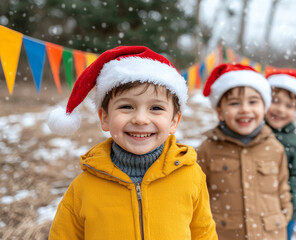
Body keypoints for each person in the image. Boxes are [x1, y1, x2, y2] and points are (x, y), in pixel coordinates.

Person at [47, 46, 218, 240]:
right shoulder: (83, 188)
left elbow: (204, 234)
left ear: (174, 121)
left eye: (156, 107)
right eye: (127, 106)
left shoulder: (191, 176)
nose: (141, 119)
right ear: (104, 118)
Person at [196, 63, 293, 240]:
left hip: (270, 234)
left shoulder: (275, 148)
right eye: (234, 103)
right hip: (225, 233)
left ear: (264, 108)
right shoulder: (207, 150)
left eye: (253, 102)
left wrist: (284, 215)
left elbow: (282, 187)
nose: (245, 109)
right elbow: (197, 195)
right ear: (220, 112)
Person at [264, 67, 296, 240]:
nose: (280, 109)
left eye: (289, 105)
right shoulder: (254, 133)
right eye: (275, 101)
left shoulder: (293, 141)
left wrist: (295, 202)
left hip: (283, 204)